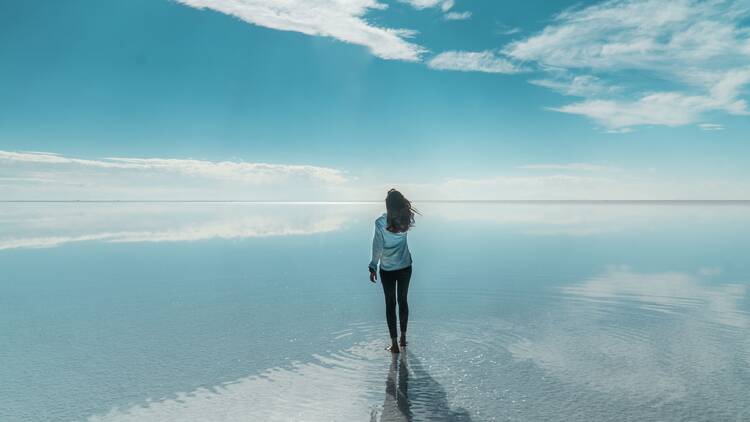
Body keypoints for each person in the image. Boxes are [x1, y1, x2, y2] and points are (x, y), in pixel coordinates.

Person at [369, 189, 418, 353]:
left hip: (388, 269)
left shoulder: (381, 222)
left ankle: (395, 344)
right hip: (405, 266)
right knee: (403, 300)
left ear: (388, 205)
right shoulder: (407, 218)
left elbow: (378, 246)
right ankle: (404, 337)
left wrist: (373, 265)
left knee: (390, 305)